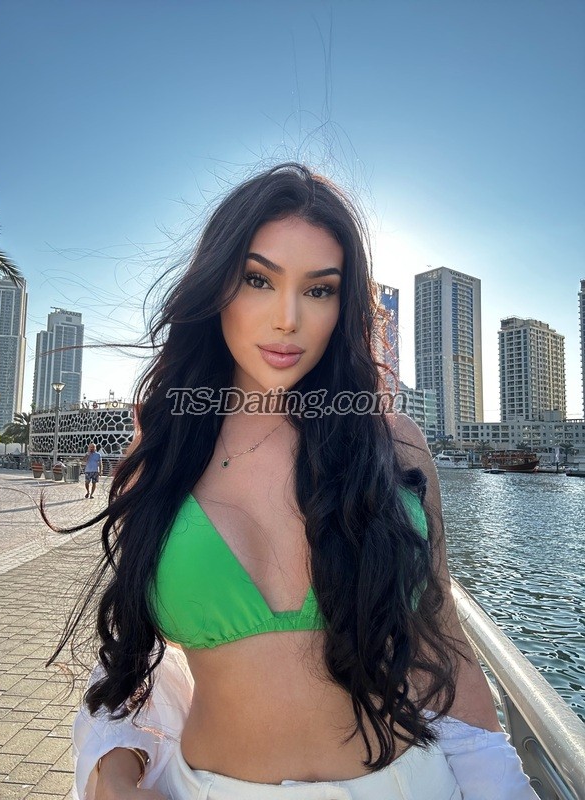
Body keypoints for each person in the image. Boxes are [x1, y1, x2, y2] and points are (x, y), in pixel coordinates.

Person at [50, 163, 536, 799]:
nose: (288, 319)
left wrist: (502, 785)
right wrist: (114, 768)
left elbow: (442, 637)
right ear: (217, 287)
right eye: (259, 279)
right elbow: (134, 648)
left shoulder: (390, 445)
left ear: (343, 306)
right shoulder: (163, 450)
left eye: (319, 289)